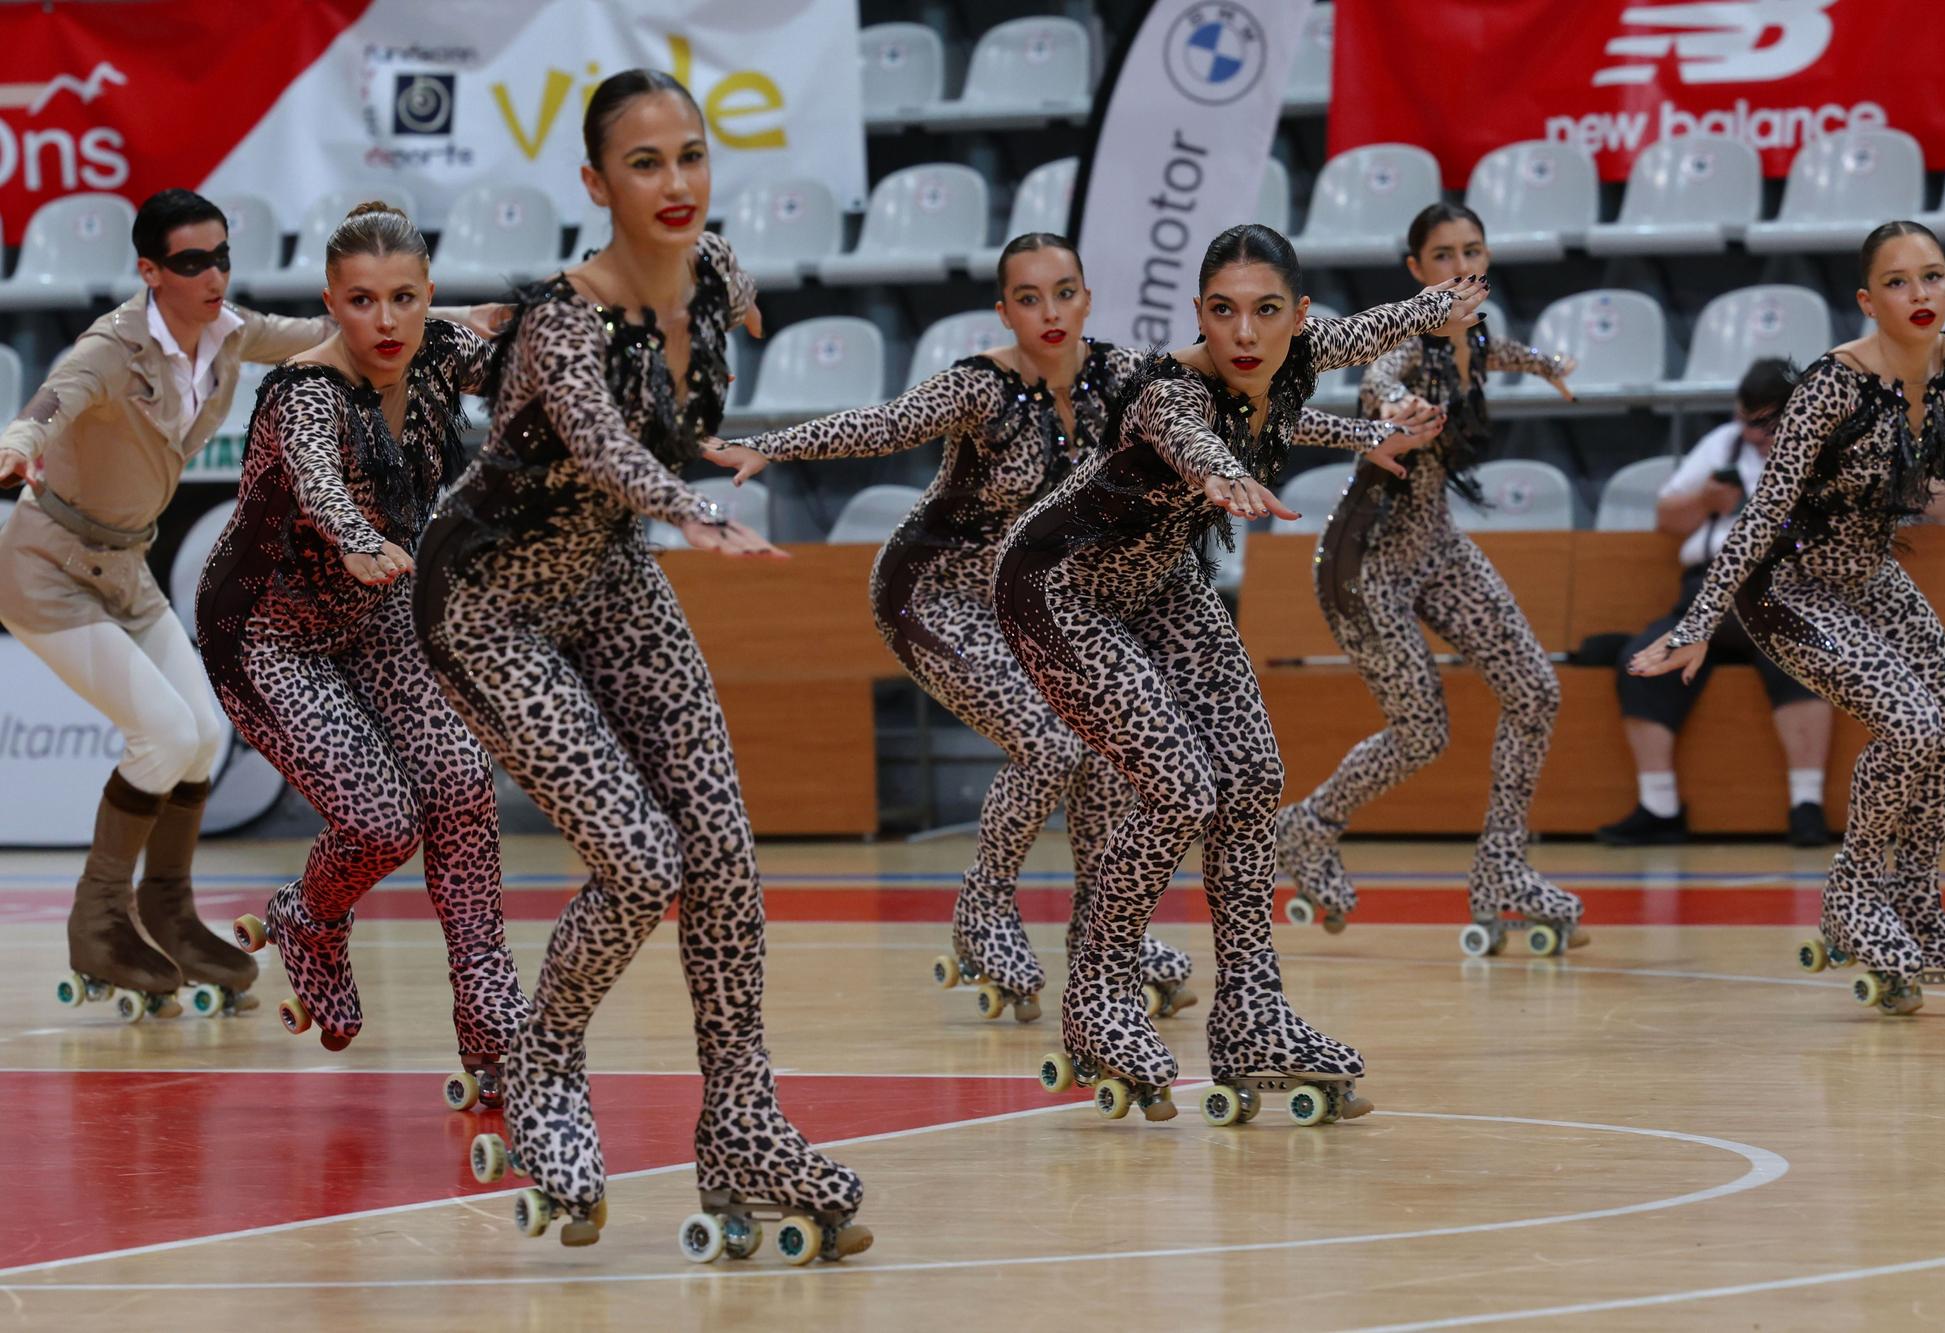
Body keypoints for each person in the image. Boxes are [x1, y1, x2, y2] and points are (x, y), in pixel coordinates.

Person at [415, 70, 868, 1259]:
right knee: (638, 858)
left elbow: (708, 347)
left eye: (691, 156)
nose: (675, 184)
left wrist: (714, 397)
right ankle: (542, 1068)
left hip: (609, 581)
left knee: (720, 853)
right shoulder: (564, 321)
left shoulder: (713, 271)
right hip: (488, 604)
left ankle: (746, 1126)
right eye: (645, 163)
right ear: (594, 184)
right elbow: (610, 446)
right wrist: (690, 504)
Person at [994, 222, 1476, 1121]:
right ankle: (1098, 996)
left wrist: (1434, 309)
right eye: (1223, 312)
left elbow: (1354, 342)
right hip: (1058, 590)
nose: (1244, 335)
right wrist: (1223, 475)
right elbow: (1198, 438)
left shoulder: (1295, 352)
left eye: (1264, 313)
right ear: (1199, 316)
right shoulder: (1164, 393)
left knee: (1252, 774)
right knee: (1181, 787)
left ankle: (1253, 1014)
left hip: (1159, 581)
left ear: (1298, 316)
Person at [0, 188, 496, 1021]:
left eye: (222, 256)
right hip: (47, 561)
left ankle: (166, 910)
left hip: (126, 563)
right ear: (150, 271)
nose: (213, 275)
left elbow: (337, 338)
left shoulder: (230, 331)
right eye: (191, 262)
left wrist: (472, 320)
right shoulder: (111, 348)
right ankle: (97, 919)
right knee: (166, 732)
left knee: (200, 733)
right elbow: (55, 398)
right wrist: (18, 442)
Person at [704, 233, 1201, 1026]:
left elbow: (1222, 397)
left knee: (1105, 753)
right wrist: (771, 445)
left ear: (1087, 297)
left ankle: (1108, 936)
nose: (1049, 311)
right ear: (1003, 311)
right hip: (933, 596)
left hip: (1039, 606)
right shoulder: (982, 389)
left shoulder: (1122, 379)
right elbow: (884, 423)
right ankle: (985, 907)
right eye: (1028, 298)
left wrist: (1353, 426)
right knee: (1052, 744)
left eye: (1063, 292)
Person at [195, 203, 525, 1106]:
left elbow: (530, 355)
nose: (385, 323)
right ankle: (308, 917)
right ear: (330, 303)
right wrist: (346, 533)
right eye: (362, 301)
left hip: (374, 608)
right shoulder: (304, 392)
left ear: (428, 297)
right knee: (381, 820)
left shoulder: (436, 350)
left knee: (460, 785)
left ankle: (495, 1027)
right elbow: (315, 472)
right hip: (265, 629)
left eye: (405, 299)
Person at [1632, 221, 1945, 1014]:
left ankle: (1921, 911)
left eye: (1932, 276)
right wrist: (1697, 621)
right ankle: (1854, 898)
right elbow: (1763, 512)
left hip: (1870, 575)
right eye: (1898, 282)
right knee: (1914, 725)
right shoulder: (1831, 385)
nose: (1920, 294)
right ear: (1869, 301)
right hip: (1787, 584)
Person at [1271, 203, 1588, 956]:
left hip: (1438, 549)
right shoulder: (1404, 346)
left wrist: (1545, 364)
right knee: (1423, 732)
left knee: (1536, 691)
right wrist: (1393, 407)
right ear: (1416, 272)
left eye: (1471, 251)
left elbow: (1490, 351)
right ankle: (1305, 826)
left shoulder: (1471, 332)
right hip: (1366, 563)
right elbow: (1381, 378)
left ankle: (1503, 869)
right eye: (1441, 256)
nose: (1459, 268)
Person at [1599, 360, 1834, 848]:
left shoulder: (1822, 452)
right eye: (1747, 421)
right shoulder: (1721, 445)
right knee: (1639, 661)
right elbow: (1667, 518)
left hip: (1781, 591)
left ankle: (1806, 805)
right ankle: (1660, 807)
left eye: (1765, 425)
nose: (1753, 436)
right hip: (1703, 593)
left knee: (1800, 655)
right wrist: (1706, 500)